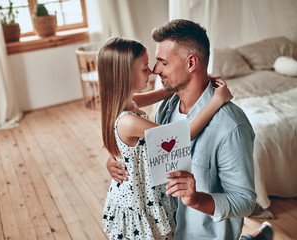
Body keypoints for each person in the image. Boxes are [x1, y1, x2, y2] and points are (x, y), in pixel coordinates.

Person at [107, 19, 257, 239]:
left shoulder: (231, 126)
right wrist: (119, 158)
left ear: (191, 63)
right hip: (163, 230)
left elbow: (245, 202)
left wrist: (197, 199)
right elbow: (149, 150)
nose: (155, 70)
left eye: (163, 62)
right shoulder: (165, 108)